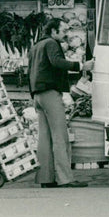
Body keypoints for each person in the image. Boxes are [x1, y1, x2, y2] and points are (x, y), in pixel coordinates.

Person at [28, 17, 94, 188]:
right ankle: (65, 179)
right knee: (60, 137)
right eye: (63, 31)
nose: (67, 34)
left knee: (45, 138)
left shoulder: (36, 46)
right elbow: (57, 62)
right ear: (53, 31)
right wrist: (81, 66)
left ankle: (46, 178)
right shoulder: (51, 43)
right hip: (50, 94)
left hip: (38, 95)